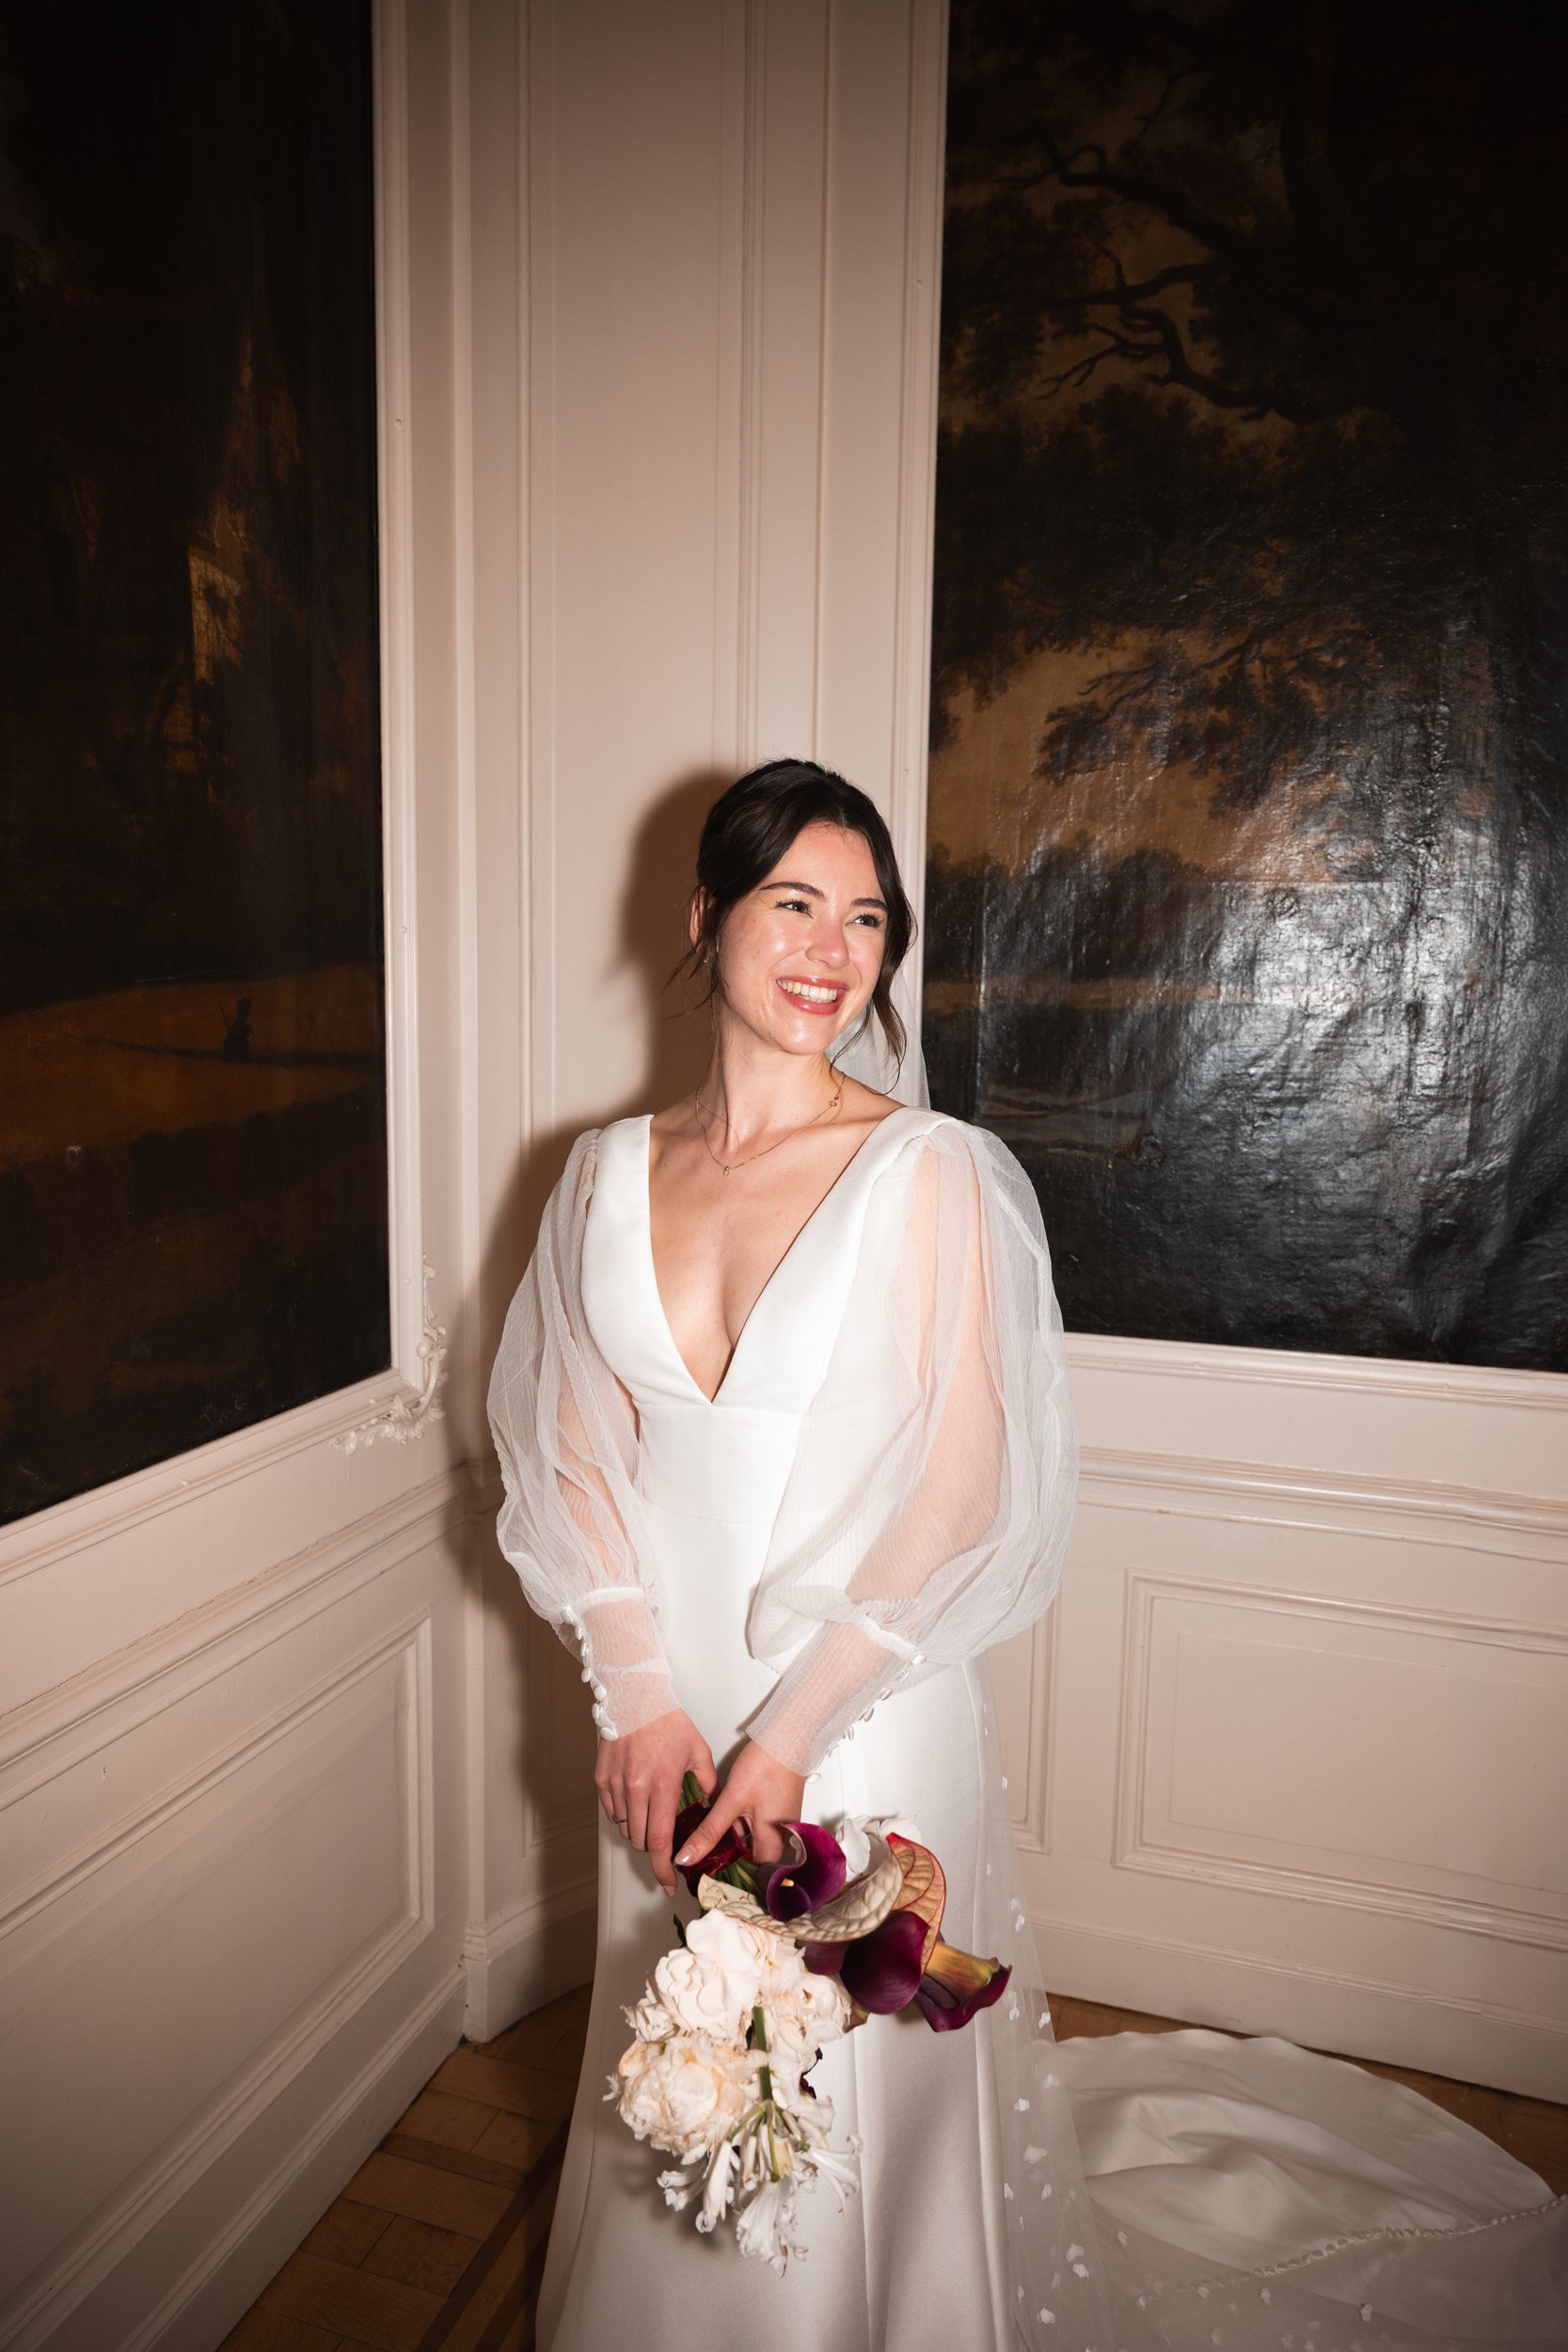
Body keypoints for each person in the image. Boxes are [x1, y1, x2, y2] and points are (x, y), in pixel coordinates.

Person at [488, 760, 1566, 2352]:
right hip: (663, 1718)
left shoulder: (932, 1171)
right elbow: (568, 1445)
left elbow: (965, 1493)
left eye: (869, 919)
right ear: (706, 917)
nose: (834, 951)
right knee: (676, 2047)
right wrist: (638, 1697)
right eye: (795, 902)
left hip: (859, 1708)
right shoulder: (598, 1174)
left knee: (858, 2092)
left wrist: (791, 1734)